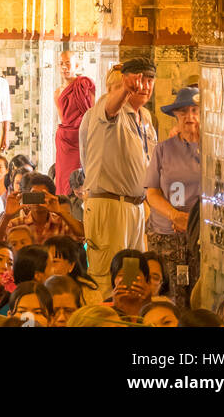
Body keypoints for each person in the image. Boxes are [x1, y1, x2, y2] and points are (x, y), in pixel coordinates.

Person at [80, 55, 156, 297]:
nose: (143, 86)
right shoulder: (105, 110)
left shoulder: (145, 117)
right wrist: (124, 90)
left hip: (135, 208)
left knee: (132, 279)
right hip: (109, 204)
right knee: (107, 277)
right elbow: (111, 107)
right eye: (137, 81)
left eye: (150, 80)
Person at [144, 84, 201, 307]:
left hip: (199, 236)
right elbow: (152, 192)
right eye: (184, 111)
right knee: (170, 297)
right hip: (165, 233)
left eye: (195, 110)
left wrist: (194, 221)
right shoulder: (163, 149)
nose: (190, 116)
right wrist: (174, 216)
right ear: (176, 115)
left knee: (199, 295)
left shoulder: (213, 149)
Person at [54, 51, 95, 196]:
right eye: (61, 64)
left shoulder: (84, 85)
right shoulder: (58, 92)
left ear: (76, 65)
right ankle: (63, 204)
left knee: (80, 175)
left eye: (68, 63)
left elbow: (92, 112)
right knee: (64, 177)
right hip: (65, 140)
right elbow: (63, 119)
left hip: (81, 136)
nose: (64, 67)